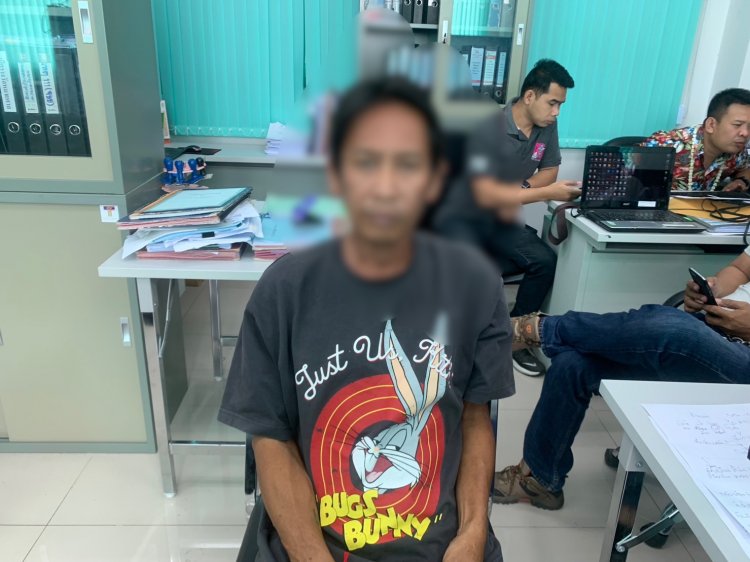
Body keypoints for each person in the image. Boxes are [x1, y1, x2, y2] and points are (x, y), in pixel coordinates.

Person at [219, 77, 515, 562]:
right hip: (314, 545)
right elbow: (270, 438)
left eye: (408, 164)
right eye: (366, 162)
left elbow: (475, 418)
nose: (385, 186)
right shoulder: (284, 291)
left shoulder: (477, 287)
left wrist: (472, 534)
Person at [492, 248, 750, 510]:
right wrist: (713, 292)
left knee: (673, 328)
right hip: (715, 330)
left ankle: (534, 329)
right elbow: (740, 269)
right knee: (573, 362)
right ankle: (539, 479)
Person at [433, 59, 581, 378]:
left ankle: (514, 336)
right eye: (552, 103)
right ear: (529, 96)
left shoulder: (546, 127)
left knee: (544, 262)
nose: (556, 112)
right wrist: (544, 192)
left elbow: (549, 170)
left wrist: (521, 188)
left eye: (560, 105)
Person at [643, 88, 750, 192]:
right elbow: (634, 172)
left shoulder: (737, 151)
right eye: (737, 125)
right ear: (711, 125)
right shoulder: (667, 144)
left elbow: (746, 169)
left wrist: (741, 181)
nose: (745, 133)